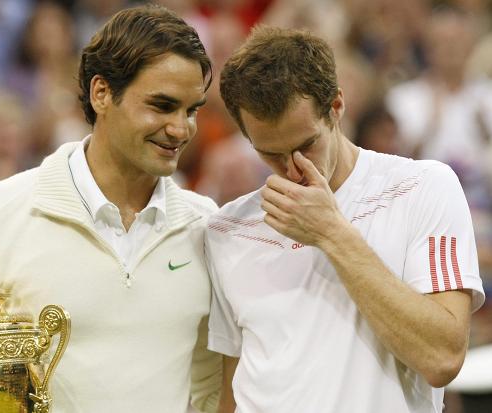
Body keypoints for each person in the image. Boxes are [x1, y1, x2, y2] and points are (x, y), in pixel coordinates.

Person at [0, 5, 222, 412]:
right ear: (101, 93)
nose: (181, 129)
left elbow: (211, 384)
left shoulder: (208, 227)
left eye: (192, 110)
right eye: (162, 106)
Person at [206, 26, 484, 413]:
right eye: (270, 153)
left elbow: (442, 357)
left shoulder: (424, 188)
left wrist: (331, 232)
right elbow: (231, 388)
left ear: (336, 106)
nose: (292, 168)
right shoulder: (226, 229)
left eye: (306, 145)